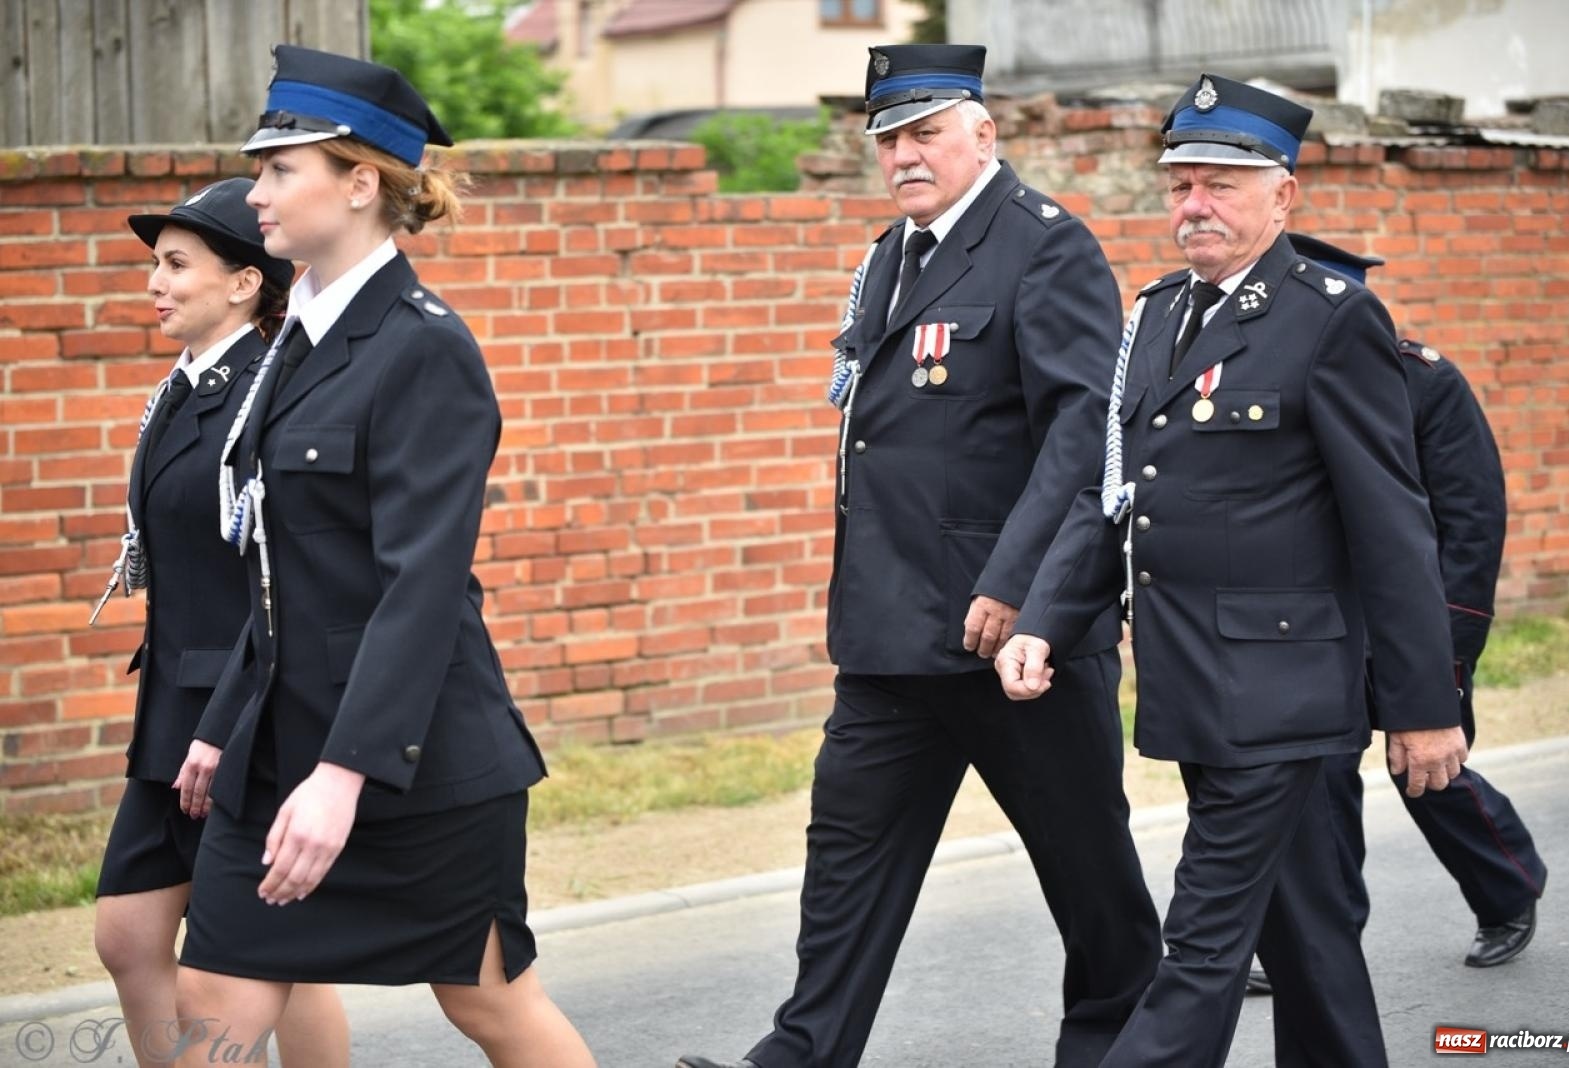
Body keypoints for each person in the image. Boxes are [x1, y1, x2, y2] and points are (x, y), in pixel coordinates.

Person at [677, 44, 1160, 1068]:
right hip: (890, 635)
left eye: (925, 133)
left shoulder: (1046, 247)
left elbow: (1082, 437)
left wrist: (1018, 587)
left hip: (1012, 641)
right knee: (845, 863)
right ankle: (800, 1054)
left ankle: (1116, 1048)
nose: (904, 154)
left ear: (982, 134)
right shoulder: (891, 255)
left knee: (1089, 877)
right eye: (888, 138)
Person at [995, 74, 1469, 1066]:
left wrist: (1425, 705)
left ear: (1282, 195)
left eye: (1220, 184)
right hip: (1193, 681)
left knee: (1203, 943)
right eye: (1179, 186)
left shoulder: (1332, 318)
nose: (1194, 205)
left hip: (1282, 692)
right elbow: (1114, 494)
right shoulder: (1157, 313)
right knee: (1307, 935)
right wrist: (1044, 617)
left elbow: (1392, 527)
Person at [169, 46, 594, 1068]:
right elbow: (279, 570)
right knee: (211, 996)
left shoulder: (423, 346)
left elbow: (421, 588)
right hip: (278, 753)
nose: (256, 194)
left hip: (412, 767)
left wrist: (344, 773)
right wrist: (224, 725)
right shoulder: (295, 338)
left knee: (491, 1005)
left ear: (359, 184)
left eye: (281, 171)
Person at [1237, 235, 1545, 997]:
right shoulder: (1260, 380)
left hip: (1412, 617)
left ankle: (1508, 887)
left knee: (1428, 771)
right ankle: (1321, 941)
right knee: (1315, 782)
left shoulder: (1427, 383)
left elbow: (1471, 522)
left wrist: (1452, 635)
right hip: (1312, 621)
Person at [90, 178, 348, 1068]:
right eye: (155, 265)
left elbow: (285, 578)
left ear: (244, 283)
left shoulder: (267, 396)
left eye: (176, 265)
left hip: (242, 717)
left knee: (275, 955)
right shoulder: (181, 388)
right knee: (128, 936)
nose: (155, 284)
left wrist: (233, 718)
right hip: (172, 706)